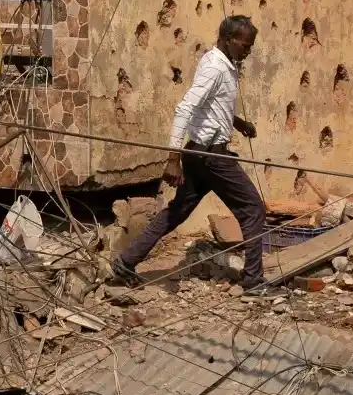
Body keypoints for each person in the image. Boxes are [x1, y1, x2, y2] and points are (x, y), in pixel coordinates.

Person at [112, 15, 282, 295]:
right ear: (229, 39)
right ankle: (253, 280)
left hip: (201, 153)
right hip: (211, 156)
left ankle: (126, 262)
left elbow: (212, 108)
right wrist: (172, 159)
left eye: (251, 45)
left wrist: (239, 123)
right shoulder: (216, 67)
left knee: (175, 213)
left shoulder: (220, 63)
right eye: (245, 44)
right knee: (253, 209)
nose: (249, 50)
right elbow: (185, 108)